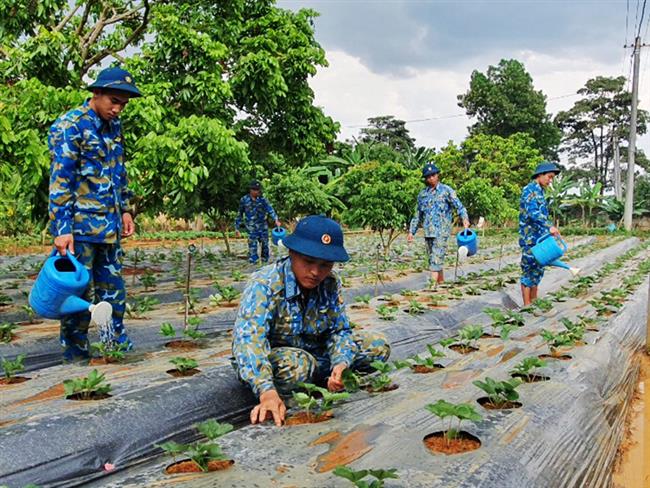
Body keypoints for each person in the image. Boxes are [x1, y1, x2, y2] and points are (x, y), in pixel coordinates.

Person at [231, 215, 391, 426]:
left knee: (378, 345)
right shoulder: (265, 284)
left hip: (317, 353)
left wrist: (341, 362)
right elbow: (248, 340)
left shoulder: (330, 284)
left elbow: (339, 330)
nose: (316, 272)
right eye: (308, 262)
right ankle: (283, 394)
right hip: (280, 360)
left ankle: (331, 378)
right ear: (292, 253)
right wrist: (265, 390)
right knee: (298, 365)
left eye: (325, 265)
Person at [48, 66, 140, 362]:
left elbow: (118, 172)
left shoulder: (114, 127)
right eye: (113, 101)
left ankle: (114, 347)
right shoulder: (71, 126)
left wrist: (125, 209)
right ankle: (75, 354)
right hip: (79, 232)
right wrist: (62, 229)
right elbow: (61, 180)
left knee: (113, 293)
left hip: (109, 229)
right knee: (78, 297)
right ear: (95, 93)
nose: (117, 109)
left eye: (123, 104)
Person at [407, 163, 470, 286]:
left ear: (437, 175)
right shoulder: (422, 195)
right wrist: (411, 231)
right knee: (434, 260)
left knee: (435, 260)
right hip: (428, 232)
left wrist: (465, 219)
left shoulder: (446, 191)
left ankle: (431, 289)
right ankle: (441, 286)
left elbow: (459, 206)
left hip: (442, 232)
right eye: (428, 176)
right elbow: (417, 215)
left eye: (433, 175)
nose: (431, 178)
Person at [519, 161, 561, 306]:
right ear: (540, 175)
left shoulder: (541, 192)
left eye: (552, 178)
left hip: (540, 238)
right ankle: (526, 305)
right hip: (530, 238)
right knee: (528, 269)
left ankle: (534, 301)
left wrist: (549, 231)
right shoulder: (529, 190)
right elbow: (532, 213)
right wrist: (549, 226)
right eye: (549, 177)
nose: (550, 181)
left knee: (538, 270)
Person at [235, 180, 281, 264]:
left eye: (258, 190)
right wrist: (237, 228)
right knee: (252, 246)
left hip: (262, 226)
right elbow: (240, 214)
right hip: (251, 227)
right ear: (251, 190)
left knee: (265, 245)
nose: (257, 191)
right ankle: (253, 263)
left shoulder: (263, 199)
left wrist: (276, 219)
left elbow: (270, 209)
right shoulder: (244, 200)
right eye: (255, 190)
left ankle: (264, 262)